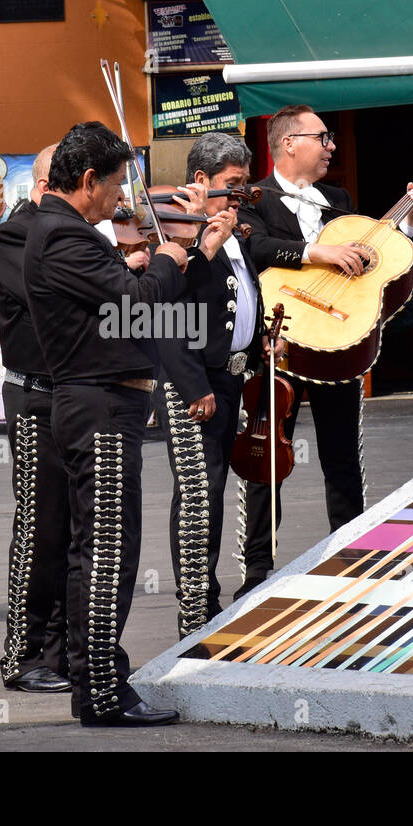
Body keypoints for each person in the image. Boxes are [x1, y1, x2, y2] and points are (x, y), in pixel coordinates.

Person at [24, 121, 230, 726]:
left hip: (106, 402)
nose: (121, 200)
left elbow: (144, 307)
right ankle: (100, 691)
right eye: (115, 186)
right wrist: (168, 252)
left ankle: (101, 683)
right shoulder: (63, 234)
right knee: (106, 551)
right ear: (87, 181)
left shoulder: (73, 233)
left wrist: (189, 252)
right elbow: (136, 303)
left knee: (107, 547)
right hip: (97, 406)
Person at [235, 105, 413, 597]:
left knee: (342, 457)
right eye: (322, 137)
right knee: (267, 458)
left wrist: (407, 222)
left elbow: (372, 261)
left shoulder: (338, 199)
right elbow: (253, 249)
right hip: (276, 340)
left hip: (335, 340)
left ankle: (353, 561)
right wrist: (315, 253)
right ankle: (257, 571)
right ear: (288, 143)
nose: (331, 145)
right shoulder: (252, 198)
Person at [155, 133, 264, 637]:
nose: (240, 194)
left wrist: (261, 337)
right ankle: (193, 608)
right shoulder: (178, 232)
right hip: (193, 384)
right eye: (231, 184)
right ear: (200, 181)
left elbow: (238, 298)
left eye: (244, 183)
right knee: (199, 493)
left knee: (215, 490)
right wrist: (193, 386)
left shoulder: (234, 230)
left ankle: (208, 600)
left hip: (230, 377)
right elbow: (168, 317)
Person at [0, 143, 72, 692]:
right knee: (40, 528)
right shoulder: (17, 231)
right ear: (46, 184)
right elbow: (51, 294)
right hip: (34, 395)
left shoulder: (78, 231)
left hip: (74, 394)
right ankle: (22, 655)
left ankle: (66, 651)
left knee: (75, 530)